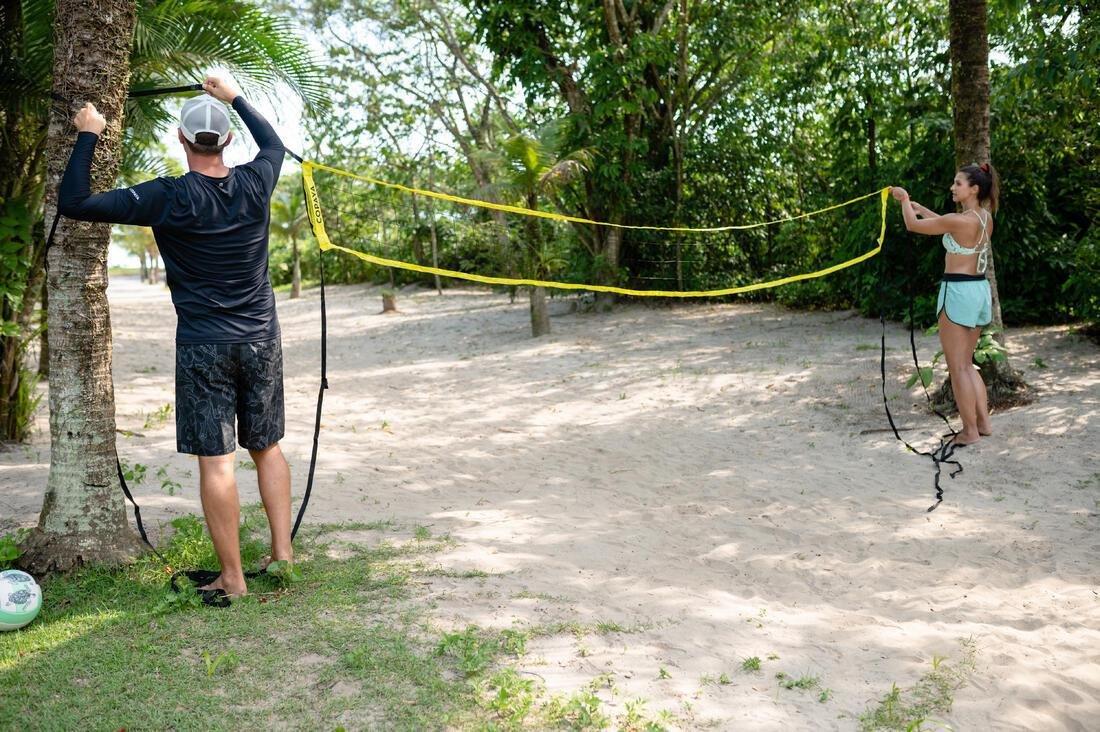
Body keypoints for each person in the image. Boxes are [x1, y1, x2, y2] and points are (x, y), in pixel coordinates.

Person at [59, 75, 292, 601]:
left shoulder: (167, 196)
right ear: (228, 140)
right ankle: (282, 557)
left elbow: (75, 202)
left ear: (182, 140)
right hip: (261, 339)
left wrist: (89, 132)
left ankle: (233, 580)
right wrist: (232, 97)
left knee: (217, 461)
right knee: (268, 447)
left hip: (205, 345)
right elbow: (275, 145)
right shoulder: (257, 181)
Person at [891, 163, 1000, 446]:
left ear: (974, 189)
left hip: (958, 292)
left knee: (958, 367)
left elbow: (912, 226)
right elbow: (948, 226)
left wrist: (903, 201)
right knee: (967, 364)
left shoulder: (959, 220)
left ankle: (969, 432)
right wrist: (924, 209)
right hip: (978, 290)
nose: (953, 187)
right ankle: (983, 424)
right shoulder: (984, 217)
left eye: (958, 183)